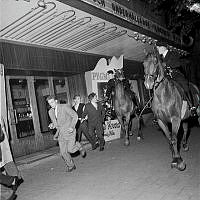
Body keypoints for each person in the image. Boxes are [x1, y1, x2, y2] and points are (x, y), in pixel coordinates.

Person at [47, 95, 86, 172]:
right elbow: (56, 123)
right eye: (49, 103)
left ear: (56, 101)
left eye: (52, 102)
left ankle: (79, 146)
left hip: (69, 131)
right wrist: (52, 125)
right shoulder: (50, 112)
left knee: (71, 150)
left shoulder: (64, 107)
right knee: (63, 152)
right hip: (60, 134)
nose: (51, 104)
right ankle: (71, 165)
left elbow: (75, 115)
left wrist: (72, 126)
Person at [156, 45, 197, 115]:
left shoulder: (173, 54)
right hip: (166, 77)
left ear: (163, 47)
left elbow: (177, 63)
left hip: (176, 75)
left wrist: (166, 64)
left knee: (185, 86)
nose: (157, 49)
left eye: (158, 48)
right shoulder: (159, 57)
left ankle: (191, 106)